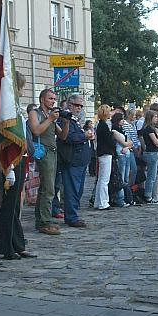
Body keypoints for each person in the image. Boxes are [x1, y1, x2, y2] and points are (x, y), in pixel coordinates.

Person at [0, 71, 36, 260]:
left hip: (20, 157)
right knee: (9, 204)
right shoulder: (9, 108)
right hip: (11, 161)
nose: (22, 91)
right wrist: (9, 166)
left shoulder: (16, 107)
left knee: (15, 206)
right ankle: (7, 245)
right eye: (21, 87)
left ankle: (17, 243)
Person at [29, 89, 62, 235]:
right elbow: (36, 130)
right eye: (50, 98)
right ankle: (45, 221)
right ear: (42, 99)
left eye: (54, 99)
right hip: (43, 151)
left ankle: (42, 219)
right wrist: (50, 119)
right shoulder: (35, 113)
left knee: (47, 187)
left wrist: (65, 122)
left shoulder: (51, 116)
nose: (53, 101)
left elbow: (62, 135)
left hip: (53, 152)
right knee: (48, 188)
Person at [55, 94, 91, 228]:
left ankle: (73, 214)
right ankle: (71, 216)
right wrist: (84, 135)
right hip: (72, 160)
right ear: (70, 105)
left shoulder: (76, 119)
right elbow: (67, 137)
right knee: (72, 190)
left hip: (80, 160)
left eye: (81, 106)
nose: (79, 108)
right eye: (77, 105)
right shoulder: (64, 118)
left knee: (78, 190)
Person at [94, 104, 115, 210]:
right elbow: (109, 140)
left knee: (101, 179)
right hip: (106, 153)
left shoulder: (100, 124)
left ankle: (98, 201)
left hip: (102, 153)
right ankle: (103, 202)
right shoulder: (104, 125)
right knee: (104, 179)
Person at [142, 109, 158, 205]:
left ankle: (152, 195)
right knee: (151, 176)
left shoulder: (154, 128)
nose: (156, 118)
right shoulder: (149, 129)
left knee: (154, 175)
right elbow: (157, 142)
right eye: (155, 117)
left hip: (154, 153)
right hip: (151, 153)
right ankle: (148, 195)